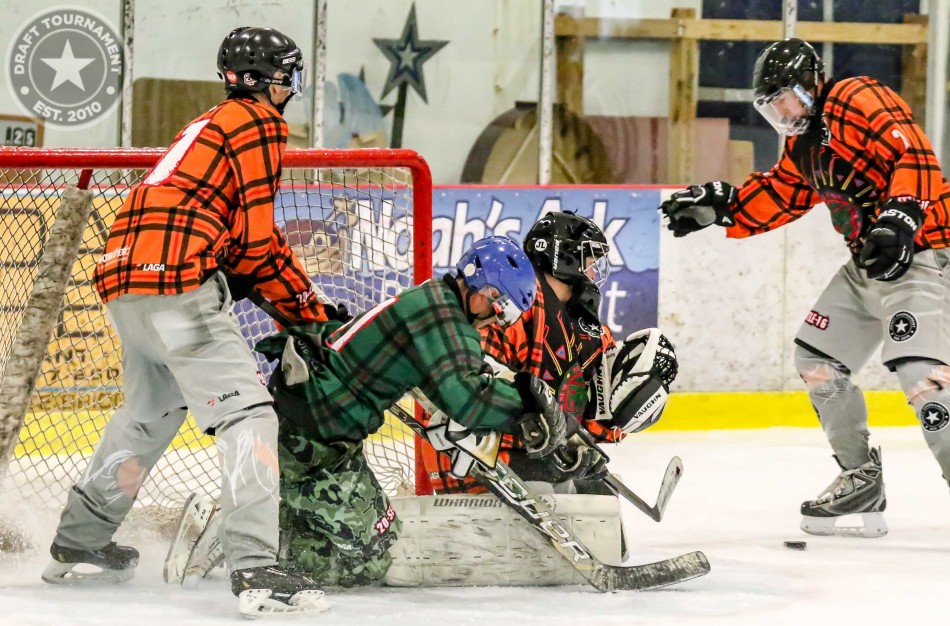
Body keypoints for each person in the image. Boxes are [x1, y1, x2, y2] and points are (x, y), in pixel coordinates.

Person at [43, 27, 335, 616]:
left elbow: (227, 230)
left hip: (126, 286)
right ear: (269, 79)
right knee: (248, 416)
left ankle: (80, 541)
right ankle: (255, 564)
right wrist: (307, 310)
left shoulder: (204, 124)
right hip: (176, 295)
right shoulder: (258, 122)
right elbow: (256, 243)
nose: (291, 90)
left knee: (147, 417)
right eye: (288, 77)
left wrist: (256, 278)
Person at [658, 38, 950, 545]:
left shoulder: (856, 97)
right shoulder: (805, 147)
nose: (783, 115)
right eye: (773, 107)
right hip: (870, 265)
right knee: (816, 360)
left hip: (925, 251)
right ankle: (860, 479)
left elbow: (914, 155)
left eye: (787, 100)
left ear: (811, 83)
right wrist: (723, 207)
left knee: (921, 374)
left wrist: (900, 218)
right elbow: (781, 194)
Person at [167, 236, 579, 589]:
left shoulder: (436, 302)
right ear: (482, 289)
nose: (498, 321)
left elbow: (454, 382)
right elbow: (468, 399)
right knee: (366, 558)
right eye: (501, 308)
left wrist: (522, 397)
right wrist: (528, 402)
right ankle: (239, 536)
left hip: (324, 430)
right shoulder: (444, 320)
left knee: (379, 533)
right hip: (312, 439)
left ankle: (258, 517)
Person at [422, 212, 678, 495]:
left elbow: (591, 414)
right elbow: (467, 388)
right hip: (468, 455)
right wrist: (553, 444)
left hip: (519, 454)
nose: (594, 274)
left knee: (599, 494)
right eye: (589, 263)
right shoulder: (512, 308)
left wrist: (631, 397)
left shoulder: (583, 329)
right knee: (560, 488)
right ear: (565, 259)